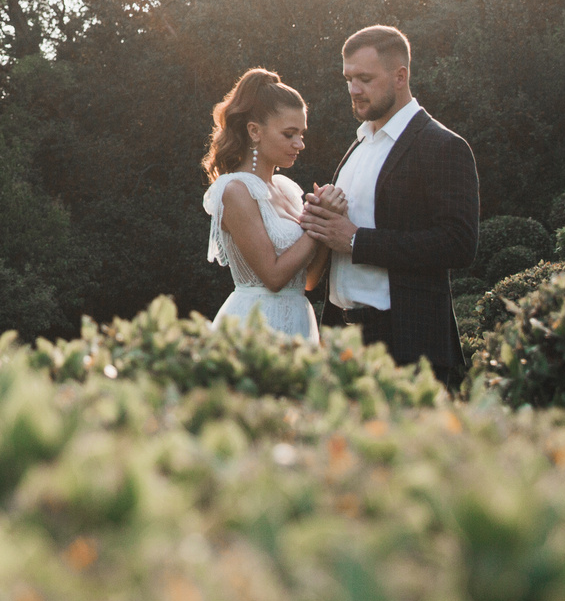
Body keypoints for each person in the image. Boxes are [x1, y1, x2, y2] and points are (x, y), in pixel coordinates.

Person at [300, 25, 479, 384]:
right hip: (340, 337)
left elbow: (459, 244)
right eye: (348, 79)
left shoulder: (442, 146)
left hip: (405, 342)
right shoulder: (359, 144)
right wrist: (321, 214)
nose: (353, 89)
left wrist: (355, 240)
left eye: (365, 78)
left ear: (400, 76)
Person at [200, 68, 328, 342]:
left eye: (301, 134)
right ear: (255, 131)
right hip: (255, 325)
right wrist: (317, 225)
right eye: (289, 134)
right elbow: (273, 277)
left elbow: (307, 281)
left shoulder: (289, 189)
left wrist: (327, 220)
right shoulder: (235, 190)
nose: (300, 144)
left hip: (298, 322)